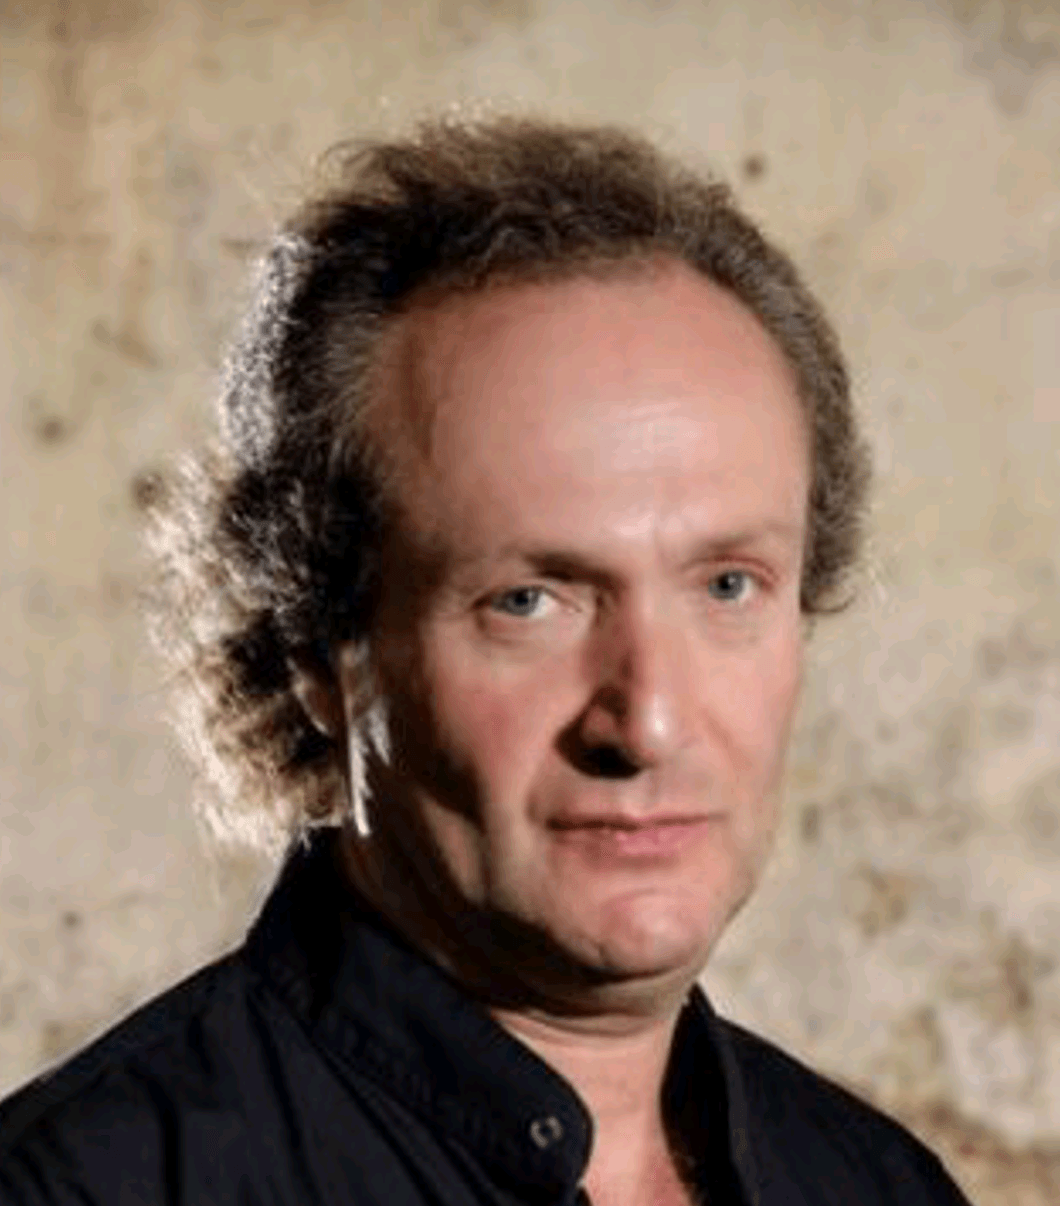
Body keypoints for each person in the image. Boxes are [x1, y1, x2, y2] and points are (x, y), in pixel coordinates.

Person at [0, 113, 971, 1205]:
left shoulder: (881, 1186)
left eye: (727, 586)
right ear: (323, 652)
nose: (649, 720)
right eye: (528, 602)